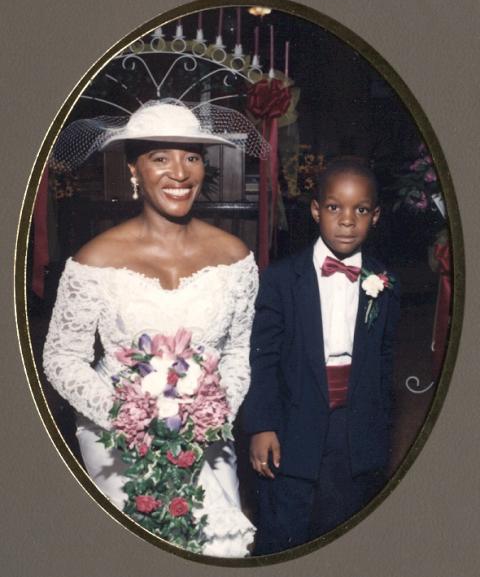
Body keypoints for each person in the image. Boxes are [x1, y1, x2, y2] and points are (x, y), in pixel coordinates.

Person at [43, 99, 268, 557]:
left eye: (191, 157)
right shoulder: (94, 261)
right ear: (134, 170)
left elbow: (237, 354)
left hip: (204, 437)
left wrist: (212, 416)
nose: (179, 173)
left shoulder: (235, 258)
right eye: (160, 157)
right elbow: (62, 357)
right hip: (118, 436)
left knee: (217, 546)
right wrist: (129, 421)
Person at [242, 159, 401, 554]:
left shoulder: (384, 282)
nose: (347, 220)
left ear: (375, 216)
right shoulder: (280, 280)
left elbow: (383, 362)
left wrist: (376, 431)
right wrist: (261, 425)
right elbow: (261, 360)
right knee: (283, 528)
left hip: (354, 430)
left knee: (345, 522)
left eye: (360, 210)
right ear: (316, 210)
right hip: (292, 426)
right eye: (334, 207)